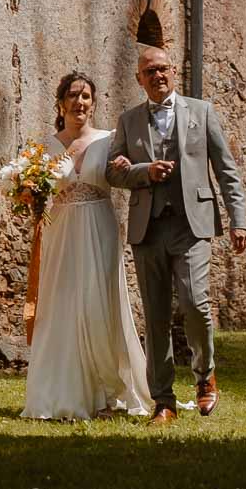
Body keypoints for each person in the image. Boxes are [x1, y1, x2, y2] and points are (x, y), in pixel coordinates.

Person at [106, 47, 246, 427]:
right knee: (155, 316)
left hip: (192, 225)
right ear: (139, 79)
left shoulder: (202, 112)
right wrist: (143, 171)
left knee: (194, 302)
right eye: (149, 71)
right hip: (148, 228)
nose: (157, 76)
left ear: (173, 71)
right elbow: (113, 172)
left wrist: (240, 221)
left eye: (162, 69)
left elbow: (226, 171)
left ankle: (205, 376)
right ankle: (164, 402)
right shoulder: (128, 121)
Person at [21, 71, 152, 421]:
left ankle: (107, 390)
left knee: (99, 302)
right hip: (61, 229)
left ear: (93, 104)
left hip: (99, 226)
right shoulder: (45, 148)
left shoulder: (109, 140)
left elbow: (126, 175)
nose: (80, 102)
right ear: (60, 102)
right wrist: (28, 192)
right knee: (60, 303)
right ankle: (60, 390)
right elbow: (35, 192)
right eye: (73, 95)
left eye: (86, 97)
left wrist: (127, 166)